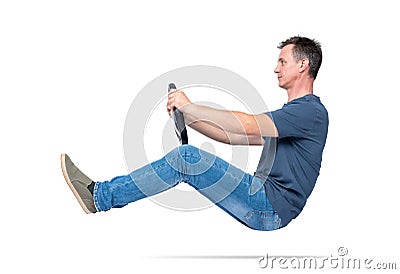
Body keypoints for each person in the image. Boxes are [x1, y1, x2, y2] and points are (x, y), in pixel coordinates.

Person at [61, 36, 328, 231]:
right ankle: (99, 196)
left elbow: (246, 125)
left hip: (268, 206)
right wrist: (189, 116)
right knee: (186, 159)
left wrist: (191, 106)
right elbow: (233, 136)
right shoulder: (294, 115)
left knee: (185, 158)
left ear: (303, 64)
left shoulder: (310, 112)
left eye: (282, 61)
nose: (276, 68)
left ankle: (99, 197)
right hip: (264, 204)